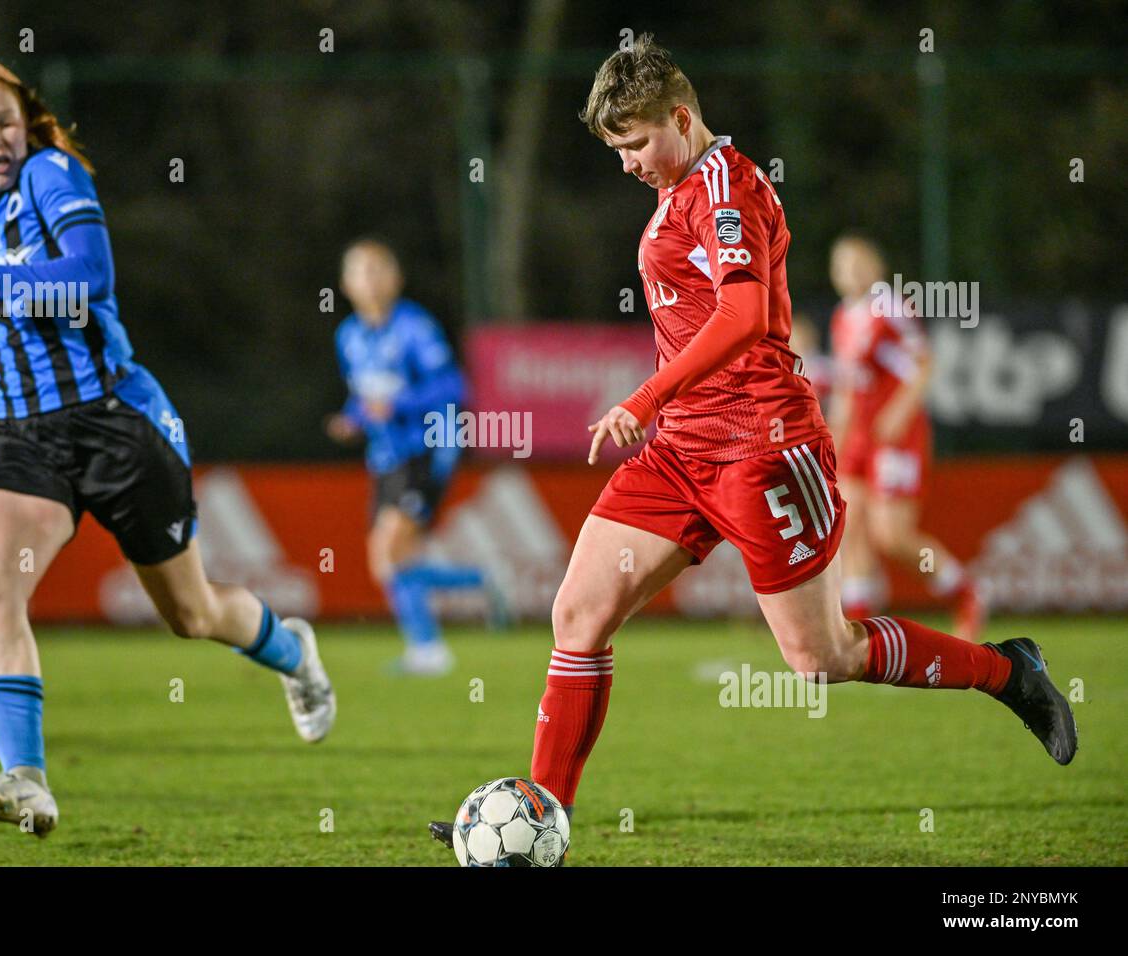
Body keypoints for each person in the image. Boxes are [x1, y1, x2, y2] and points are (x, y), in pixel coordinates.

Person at [430, 35, 1074, 850]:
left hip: (762, 447)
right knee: (578, 614)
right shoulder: (678, 192)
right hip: (680, 452)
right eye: (614, 150)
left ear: (681, 116)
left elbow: (743, 316)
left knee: (821, 658)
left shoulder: (724, 187)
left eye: (634, 143)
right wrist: (665, 409)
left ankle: (1009, 672)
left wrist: (645, 394)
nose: (626, 163)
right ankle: (539, 820)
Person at [0, 59, 334, 839]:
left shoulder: (53, 176)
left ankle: (292, 652)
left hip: (116, 423)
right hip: (25, 436)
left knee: (192, 616)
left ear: (25, 126)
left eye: (6, 121)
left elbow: (87, 280)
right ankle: (27, 780)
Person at [326, 238, 502, 676]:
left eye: (379, 269)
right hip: (385, 457)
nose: (371, 279)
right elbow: (365, 398)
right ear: (346, 283)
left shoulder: (414, 327)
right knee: (385, 563)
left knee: (391, 546)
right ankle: (479, 584)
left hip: (428, 447)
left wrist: (400, 405)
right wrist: (352, 419)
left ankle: (428, 651)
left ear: (396, 278)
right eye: (361, 271)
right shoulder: (348, 336)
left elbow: (454, 388)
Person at [827, 234, 986, 638]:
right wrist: (835, 440)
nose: (850, 272)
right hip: (860, 436)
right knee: (852, 527)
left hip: (896, 435)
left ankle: (962, 592)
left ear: (876, 268)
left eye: (858, 262)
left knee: (892, 536)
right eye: (842, 264)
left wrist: (900, 409)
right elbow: (847, 388)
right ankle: (861, 628)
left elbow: (924, 360)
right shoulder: (843, 318)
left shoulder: (888, 304)